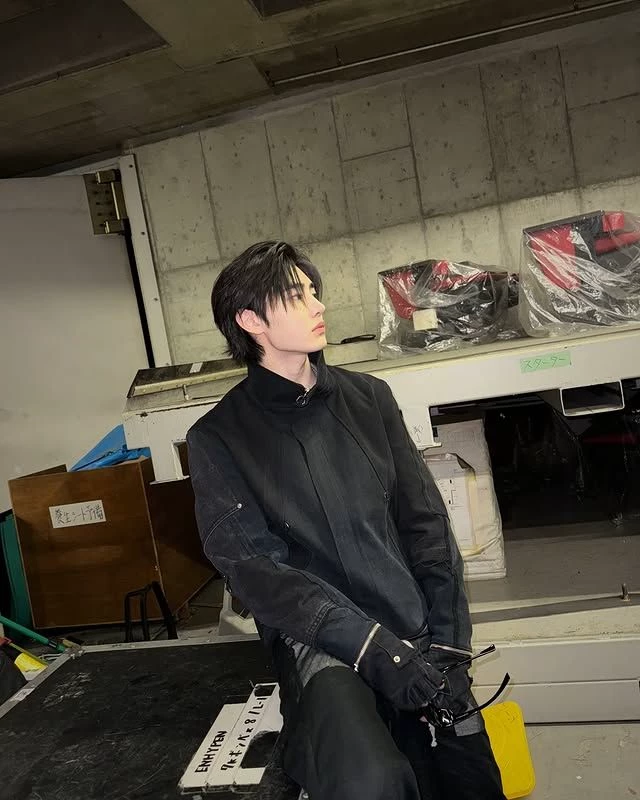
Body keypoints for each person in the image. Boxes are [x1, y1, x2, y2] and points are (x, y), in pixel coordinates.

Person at [187, 241, 505, 800]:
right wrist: (368, 646)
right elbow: (257, 571)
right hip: (323, 645)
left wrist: (451, 643)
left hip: (413, 624)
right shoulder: (218, 438)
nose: (317, 305)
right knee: (369, 781)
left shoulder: (370, 398)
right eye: (295, 295)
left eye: (314, 291)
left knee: (468, 774)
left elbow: (427, 526)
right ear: (250, 320)